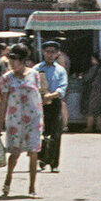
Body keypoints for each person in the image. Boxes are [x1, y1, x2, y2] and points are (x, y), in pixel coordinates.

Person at [0, 42, 44, 198]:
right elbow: (2, 102)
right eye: (10, 60)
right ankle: (8, 181)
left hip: (34, 118)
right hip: (15, 120)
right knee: (14, 154)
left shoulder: (34, 75)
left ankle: (32, 187)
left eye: (14, 60)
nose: (11, 64)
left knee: (33, 152)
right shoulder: (6, 79)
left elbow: (39, 96)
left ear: (22, 60)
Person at [35, 41, 69, 173]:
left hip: (54, 103)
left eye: (53, 52)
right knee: (40, 132)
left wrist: (50, 96)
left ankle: (54, 163)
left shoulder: (60, 70)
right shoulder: (36, 69)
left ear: (57, 54)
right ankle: (42, 159)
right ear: (43, 52)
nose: (50, 54)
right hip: (39, 104)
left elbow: (62, 88)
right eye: (47, 51)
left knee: (55, 133)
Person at [78, 52, 101, 133]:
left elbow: (87, 78)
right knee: (98, 109)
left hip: (93, 90)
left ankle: (89, 127)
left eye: (92, 59)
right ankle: (98, 126)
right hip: (99, 91)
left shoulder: (94, 68)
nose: (91, 60)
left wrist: (82, 75)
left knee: (90, 109)